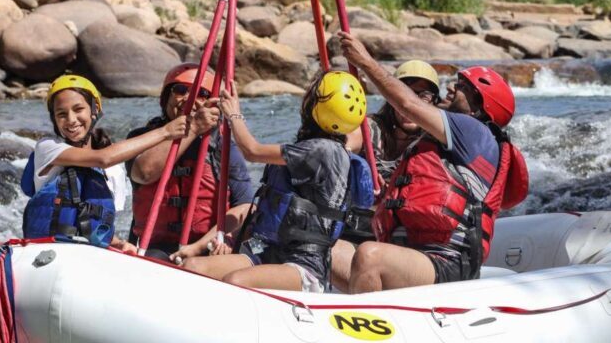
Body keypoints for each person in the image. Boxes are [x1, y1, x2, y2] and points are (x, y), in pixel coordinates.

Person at [338, 31, 529, 293]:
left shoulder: (472, 131)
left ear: (477, 107)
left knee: (369, 256)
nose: (451, 87)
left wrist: (365, 62)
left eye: (462, 87)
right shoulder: (440, 143)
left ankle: (364, 331)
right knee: (327, 249)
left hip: (445, 261)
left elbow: (407, 103)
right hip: (408, 253)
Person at [181, 71, 374, 293]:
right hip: (268, 252)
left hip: (303, 266)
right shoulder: (321, 146)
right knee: (193, 267)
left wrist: (234, 114)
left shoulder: (321, 151)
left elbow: (251, 151)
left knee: (236, 282)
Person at [22, 74, 188, 253]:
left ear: (94, 110)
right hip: (46, 249)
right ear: (54, 119)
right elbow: (104, 158)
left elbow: (101, 223)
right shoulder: (48, 148)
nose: (71, 120)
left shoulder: (114, 171)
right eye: (62, 114)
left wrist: (118, 243)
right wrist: (165, 132)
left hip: (89, 253)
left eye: (78, 109)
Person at [332, 59, 441, 292]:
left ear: (434, 101)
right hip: (361, 230)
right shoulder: (370, 127)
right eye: (406, 93)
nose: (410, 105)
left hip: (407, 240)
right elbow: (348, 145)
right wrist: (349, 158)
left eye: (422, 96)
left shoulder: (435, 142)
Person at [126, 63, 254, 260]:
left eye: (202, 93)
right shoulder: (142, 137)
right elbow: (143, 173)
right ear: (166, 97)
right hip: (157, 247)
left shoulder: (223, 147)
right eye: (181, 90)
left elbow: (246, 205)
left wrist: (223, 238)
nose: (190, 98)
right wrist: (193, 128)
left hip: (207, 244)